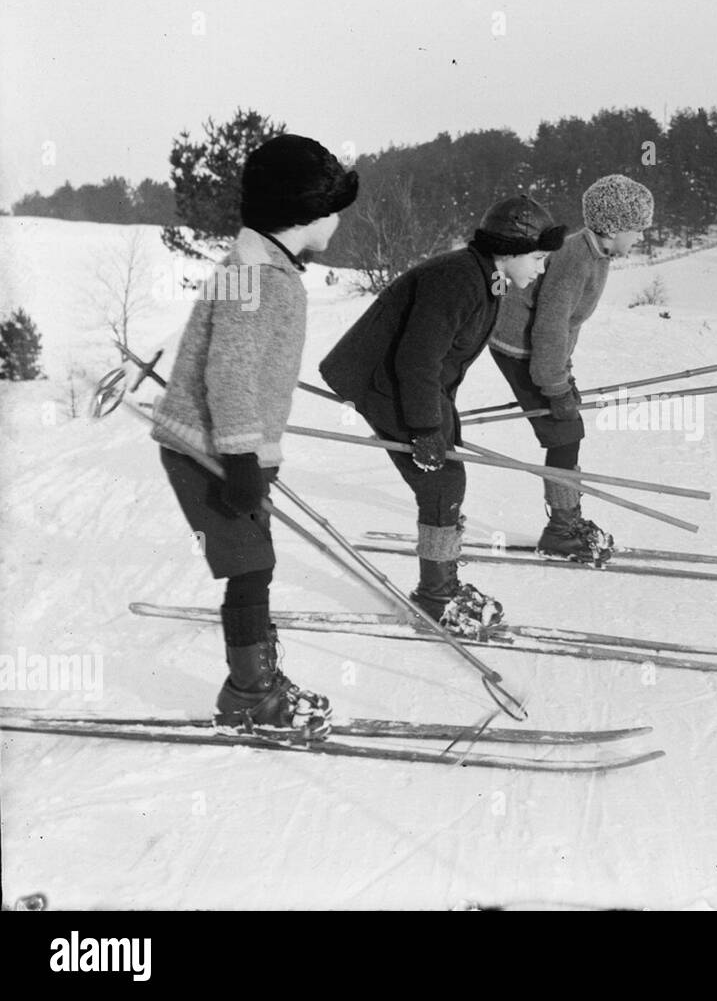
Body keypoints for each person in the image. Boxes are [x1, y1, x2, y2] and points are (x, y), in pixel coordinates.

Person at [151, 134, 358, 740]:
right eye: (332, 207)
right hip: (208, 448)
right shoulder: (258, 276)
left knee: (254, 564)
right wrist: (243, 459)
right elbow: (230, 374)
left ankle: (255, 685)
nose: (339, 219)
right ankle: (250, 694)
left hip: (229, 446)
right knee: (250, 564)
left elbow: (249, 365)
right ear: (303, 212)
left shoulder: (265, 267)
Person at [320, 195, 565, 634]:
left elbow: (444, 358)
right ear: (510, 250)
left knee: (446, 469)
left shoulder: (484, 278)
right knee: (442, 481)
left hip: (407, 380)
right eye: (538, 257)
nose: (541, 268)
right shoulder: (459, 279)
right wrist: (426, 429)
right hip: (382, 380)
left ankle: (442, 582)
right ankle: (436, 597)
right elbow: (417, 359)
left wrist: (442, 422)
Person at [488, 174, 653, 564]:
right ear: (613, 228)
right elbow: (550, 325)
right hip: (519, 348)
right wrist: (555, 386)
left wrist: (564, 374)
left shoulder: (597, 253)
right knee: (564, 432)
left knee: (567, 431)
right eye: (638, 230)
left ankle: (567, 520)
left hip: (540, 350)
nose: (641, 238)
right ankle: (561, 530)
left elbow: (567, 325)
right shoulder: (578, 259)